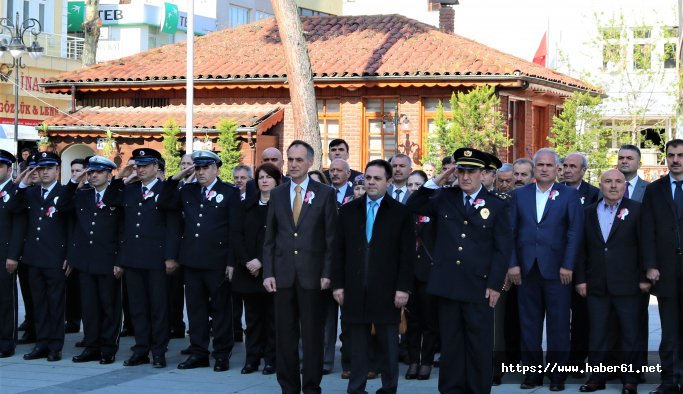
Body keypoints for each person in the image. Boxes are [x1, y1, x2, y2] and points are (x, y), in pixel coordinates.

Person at [407, 148, 513, 394]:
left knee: (478, 343)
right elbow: (414, 205)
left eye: (471, 171)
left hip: (479, 285)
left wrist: (495, 284)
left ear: (483, 174)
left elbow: (502, 248)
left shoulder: (497, 205)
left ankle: (477, 389)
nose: (465, 177)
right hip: (448, 284)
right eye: (461, 170)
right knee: (451, 344)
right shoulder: (445, 197)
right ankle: (452, 389)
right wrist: (440, 179)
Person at [333, 159, 415, 394]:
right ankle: (356, 388)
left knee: (388, 344)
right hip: (354, 288)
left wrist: (403, 288)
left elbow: (407, 254)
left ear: (388, 182)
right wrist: (338, 284)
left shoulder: (400, 212)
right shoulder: (349, 210)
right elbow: (338, 250)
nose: (371, 182)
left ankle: (388, 388)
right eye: (368, 177)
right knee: (357, 344)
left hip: (387, 290)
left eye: (377, 178)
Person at [262, 140, 337, 394]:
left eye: (298, 160)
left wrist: (328, 273)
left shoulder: (325, 194)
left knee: (313, 336)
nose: (293, 164)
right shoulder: (277, 193)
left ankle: (312, 386)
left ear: (309, 163)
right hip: (282, 277)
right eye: (290, 159)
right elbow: (270, 238)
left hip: (313, 278)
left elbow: (331, 239)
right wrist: (268, 272)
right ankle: (288, 387)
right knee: (285, 337)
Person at [507, 148, 584, 391]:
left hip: (557, 270)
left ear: (557, 169)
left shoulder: (568, 195)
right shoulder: (520, 195)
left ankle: (557, 375)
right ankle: (532, 374)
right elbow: (510, 233)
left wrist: (568, 265)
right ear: (533, 168)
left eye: (549, 165)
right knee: (528, 323)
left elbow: (575, 233)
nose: (543, 168)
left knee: (559, 324)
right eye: (539, 165)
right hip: (526, 269)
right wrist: (513, 264)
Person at [163, 150, 241, 372]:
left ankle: (222, 353)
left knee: (220, 310)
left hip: (217, 261)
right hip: (192, 261)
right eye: (198, 168)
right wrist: (176, 178)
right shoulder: (187, 191)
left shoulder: (229, 192)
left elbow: (234, 230)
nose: (201, 172)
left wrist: (231, 262)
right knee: (195, 311)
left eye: (205, 168)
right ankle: (198, 352)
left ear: (216, 168)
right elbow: (166, 203)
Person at [105, 148, 180, 369]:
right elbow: (110, 200)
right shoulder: (129, 189)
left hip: (157, 259)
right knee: (137, 308)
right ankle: (141, 349)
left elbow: (173, 228)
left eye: (146, 165)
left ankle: (158, 351)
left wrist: (170, 257)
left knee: (158, 307)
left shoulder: (166, 190)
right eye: (138, 165)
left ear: (157, 167)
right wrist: (121, 175)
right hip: (133, 257)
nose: (141, 169)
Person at [575, 169, 648, 394]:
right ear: (600, 185)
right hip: (596, 284)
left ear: (625, 187)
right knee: (597, 333)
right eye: (608, 181)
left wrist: (645, 277)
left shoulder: (637, 210)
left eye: (618, 181)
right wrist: (580, 279)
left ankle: (630, 380)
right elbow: (581, 249)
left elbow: (646, 246)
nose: (613, 186)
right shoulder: (587, 212)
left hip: (629, 285)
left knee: (629, 333)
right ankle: (597, 377)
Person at [59, 156, 123, 365]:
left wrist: (120, 260)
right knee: (89, 307)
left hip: (107, 260)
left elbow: (123, 231)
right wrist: (72, 181)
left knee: (109, 307)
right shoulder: (83, 195)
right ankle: (91, 346)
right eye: (90, 172)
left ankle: (108, 348)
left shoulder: (117, 196)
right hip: (85, 261)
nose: (93, 176)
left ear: (108, 174)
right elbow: (62, 205)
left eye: (98, 172)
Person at [14, 152, 69, 362]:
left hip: (55, 258)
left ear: (57, 170)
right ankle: (41, 343)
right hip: (33, 257)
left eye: (49, 168)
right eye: (41, 168)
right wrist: (21, 185)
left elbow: (71, 227)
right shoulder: (30, 193)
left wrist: (68, 256)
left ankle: (55, 346)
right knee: (38, 303)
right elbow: (14, 208)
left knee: (55, 304)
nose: (44, 172)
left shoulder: (64, 193)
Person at [641, 139, 683, 394]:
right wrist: (650, 264)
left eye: (680, 155)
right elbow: (647, 230)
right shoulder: (654, 190)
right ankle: (669, 379)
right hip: (666, 271)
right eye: (671, 155)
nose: (675, 160)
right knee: (669, 331)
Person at [233, 163, 281, 375]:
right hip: (248, 272)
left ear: (277, 181)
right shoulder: (247, 205)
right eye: (260, 177)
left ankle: (271, 359)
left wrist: (261, 261)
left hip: (271, 271)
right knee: (252, 320)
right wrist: (247, 261)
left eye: (268, 177)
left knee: (272, 319)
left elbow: (282, 239)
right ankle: (251, 358)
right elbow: (238, 236)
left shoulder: (282, 207)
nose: (264, 181)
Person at [403, 169, 438, 381]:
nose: (414, 189)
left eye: (418, 185)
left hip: (429, 272)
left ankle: (426, 362)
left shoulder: (433, 208)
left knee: (429, 322)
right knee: (412, 321)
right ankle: (413, 360)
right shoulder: (405, 210)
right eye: (410, 185)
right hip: (409, 272)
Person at [0, 150, 25, 358]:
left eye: (0, 166)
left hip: (5, 254)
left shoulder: (15, 192)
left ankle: (6, 343)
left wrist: (13, 255)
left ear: (9, 170)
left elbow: (19, 226)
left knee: (6, 300)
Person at [65, 158, 87, 335]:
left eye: (78, 171)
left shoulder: (89, 191)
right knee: (71, 289)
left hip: (86, 247)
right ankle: (72, 320)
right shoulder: (69, 191)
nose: (75, 174)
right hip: (71, 245)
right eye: (73, 171)